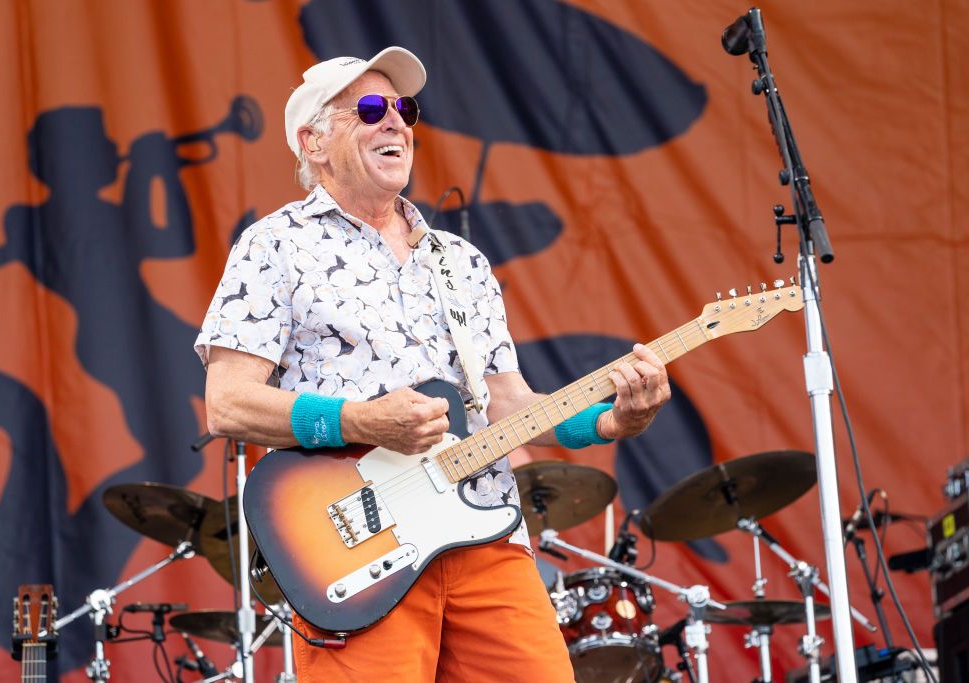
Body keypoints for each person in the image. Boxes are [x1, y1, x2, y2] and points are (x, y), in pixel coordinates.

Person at [195, 46, 671, 682]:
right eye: (370, 109)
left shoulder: (460, 261)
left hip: (485, 532)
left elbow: (508, 405)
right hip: (361, 550)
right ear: (313, 142)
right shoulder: (274, 245)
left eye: (404, 109)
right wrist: (360, 421)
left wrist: (610, 423)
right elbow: (227, 402)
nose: (395, 120)